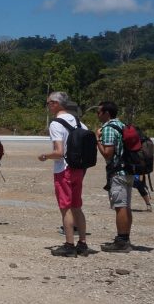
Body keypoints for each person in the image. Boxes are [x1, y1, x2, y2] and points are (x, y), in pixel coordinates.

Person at [38, 92, 88, 257]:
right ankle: (82, 243)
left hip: (64, 169)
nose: (48, 106)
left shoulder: (56, 124)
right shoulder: (80, 123)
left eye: (49, 103)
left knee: (65, 208)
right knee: (77, 206)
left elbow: (59, 153)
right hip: (79, 169)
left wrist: (45, 156)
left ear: (56, 104)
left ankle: (69, 244)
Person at [96, 101, 134, 252]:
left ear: (106, 113)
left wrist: (97, 140)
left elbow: (107, 154)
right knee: (126, 206)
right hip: (128, 171)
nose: (97, 115)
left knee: (120, 207)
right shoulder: (122, 125)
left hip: (118, 173)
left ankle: (122, 241)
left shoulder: (109, 129)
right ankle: (125, 238)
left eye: (99, 112)